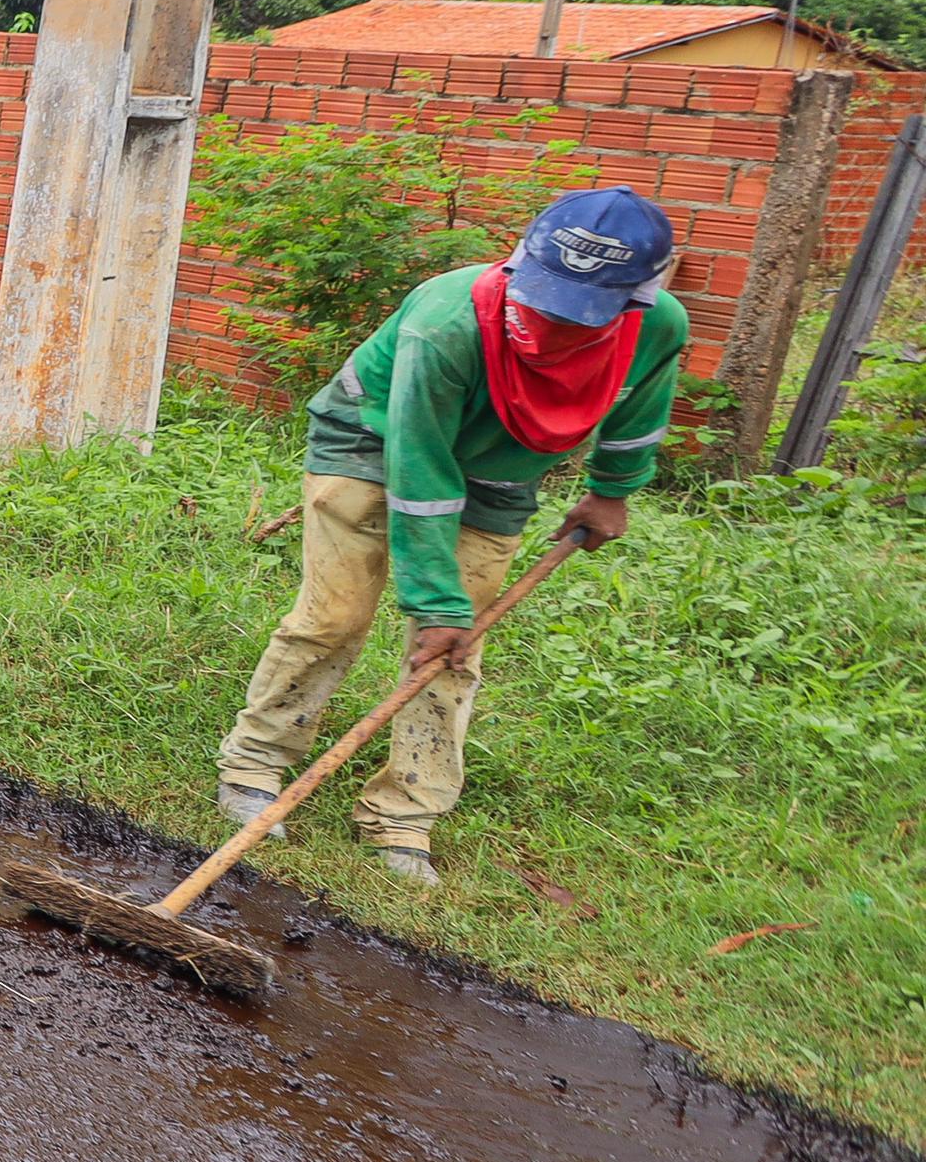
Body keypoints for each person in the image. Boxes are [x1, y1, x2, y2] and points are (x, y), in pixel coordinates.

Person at [216, 188, 683, 888]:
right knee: (335, 616)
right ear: (521, 262)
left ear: (639, 296)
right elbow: (419, 466)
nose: (552, 324)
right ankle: (255, 764)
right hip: (374, 442)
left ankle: (403, 814)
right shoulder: (448, 317)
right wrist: (433, 600)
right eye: (546, 299)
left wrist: (611, 492)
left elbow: (641, 412)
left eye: (579, 312)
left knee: (453, 654)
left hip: (501, 468)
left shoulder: (657, 327)